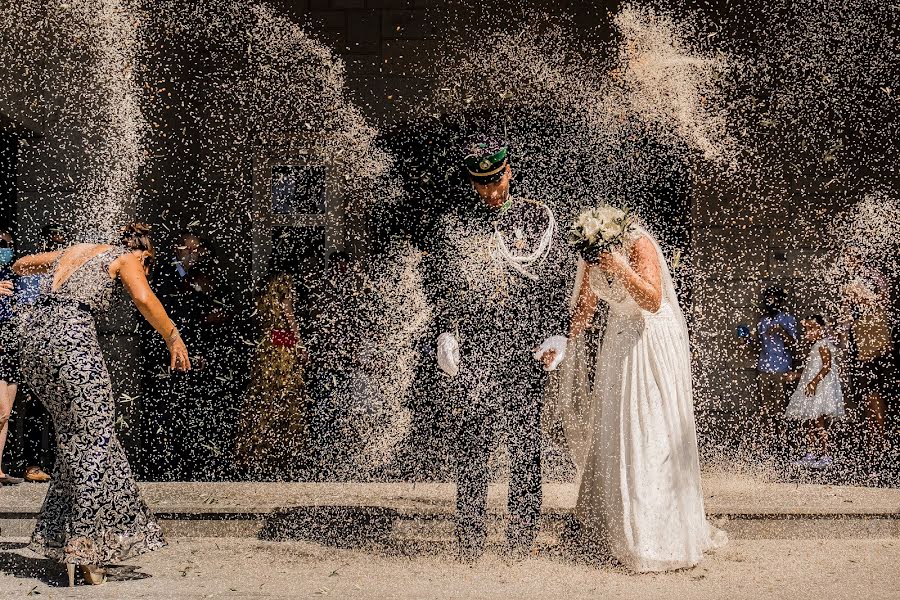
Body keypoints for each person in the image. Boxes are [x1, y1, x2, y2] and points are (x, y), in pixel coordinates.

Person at [12, 223, 191, 586]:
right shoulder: (128, 257)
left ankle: (62, 539)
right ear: (144, 254)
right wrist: (173, 335)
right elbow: (143, 298)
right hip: (70, 339)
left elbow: (21, 264)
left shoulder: (78, 251)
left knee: (74, 439)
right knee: (96, 439)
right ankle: (89, 550)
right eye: (147, 264)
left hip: (33, 340)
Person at [431, 136, 571, 560]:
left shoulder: (536, 217)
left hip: (525, 349)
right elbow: (446, 288)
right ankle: (470, 542)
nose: (492, 192)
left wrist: (557, 332)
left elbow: (557, 280)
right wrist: (445, 332)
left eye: (497, 181)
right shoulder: (457, 222)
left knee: (525, 447)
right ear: (472, 184)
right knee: (472, 446)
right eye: (482, 185)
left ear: (509, 171)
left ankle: (520, 543)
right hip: (475, 346)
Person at [563, 208, 726, 572]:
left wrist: (619, 265)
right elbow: (587, 308)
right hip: (617, 341)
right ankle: (611, 526)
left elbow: (653, 300)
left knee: (650, 428)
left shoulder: (639, 245)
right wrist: (560, 340)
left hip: (651, 338)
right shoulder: (590, 253)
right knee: (616, 427)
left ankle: (657, 535)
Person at [142, 231, 236, 480]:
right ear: (177, 249)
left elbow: (225, 307)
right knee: (165, 410)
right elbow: (166, 311)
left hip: (199, 354)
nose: (193, 254)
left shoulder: (209, 276)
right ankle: (161, 467)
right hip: (167, 354)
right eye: (188, 249)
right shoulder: (163, 275)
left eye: (197, 250)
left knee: (194, 410)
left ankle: (195, 465)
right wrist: (200, 319)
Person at [234, 272, 311, 479]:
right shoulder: (286, 284)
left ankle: (256, 452)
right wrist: (300, 344)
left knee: (263, 398)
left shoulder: (262, 292)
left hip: (267, 349)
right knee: (286, 398)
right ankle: (282, 452)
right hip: (283, 351)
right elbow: (289, 313)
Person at [838, 246, 897, 448]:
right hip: (858, 342)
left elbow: (884, 303)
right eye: (846, 256)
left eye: (850, 256)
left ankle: (880, 437)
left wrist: (861, 298)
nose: (847, 260)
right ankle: (871, 437)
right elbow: (846, 317)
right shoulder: (848, 283)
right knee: (863, 391)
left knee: (878, 390)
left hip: (874, 341)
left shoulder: (874, 276)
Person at [742, 287, 798, 461]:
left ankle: (783, 443)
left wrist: (781, 331)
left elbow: (795, 345)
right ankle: (769, 443)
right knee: (766, 408)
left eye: (773, 299)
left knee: (781, 407)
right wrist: (746, 341)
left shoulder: (788, 319)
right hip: (764, 369)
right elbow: (759, 345)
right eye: (767, 299)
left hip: (781, 369)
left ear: (781, 301)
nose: (770, 302)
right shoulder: (762, 321)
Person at [785, 315, 845, 468]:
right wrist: (797, 375)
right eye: (806, 329)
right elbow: (810, 370)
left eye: (812, 328)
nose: (808, 333)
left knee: (819, 422)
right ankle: (810, 453)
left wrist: (814, 382)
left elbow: (827, 366)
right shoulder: (815, 346)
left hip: (819, 389)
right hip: (810, 387)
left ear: (821, 329)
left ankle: (826, 455)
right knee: (809, 422)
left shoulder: (823, 345)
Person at [0, 228, 18, 485]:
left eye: (8, 244)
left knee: (5, 413)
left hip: (9, 344)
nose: (5, 248)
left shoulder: (11, 273)